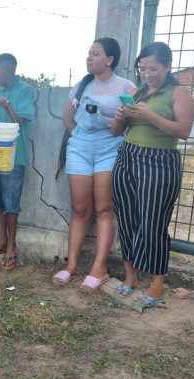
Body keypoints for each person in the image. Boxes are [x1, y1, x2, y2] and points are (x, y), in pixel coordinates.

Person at [110, 42, 194, 309]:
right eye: (143, 68)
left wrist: (149, 116)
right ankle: (130, 277)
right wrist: (120, 116)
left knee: (153, 223)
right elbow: (116, 132)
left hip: (159, 161)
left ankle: (157, 286)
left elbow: (183, 130)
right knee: (125, 217)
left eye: (154, 68)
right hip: (127, 156)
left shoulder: (179, 92)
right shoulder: (137, 92)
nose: (147, 73)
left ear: (168, 66)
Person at [53, 38, 136, 291]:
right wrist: (81, 139)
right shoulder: (81, 85)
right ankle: (71, 265)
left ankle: (98, 269)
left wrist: (109, 132)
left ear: (110, 59)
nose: (89, 58)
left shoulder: (127, 87)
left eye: (95, 54)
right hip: (80, 148)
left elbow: (131, 123)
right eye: (88, 54)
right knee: (79, 208)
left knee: (104, 208)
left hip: (109, 148)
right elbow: (68, 120)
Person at [0, 53, 35, 271]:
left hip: (14, 157)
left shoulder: (25, 91)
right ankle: (2, 240)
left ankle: (12, 246)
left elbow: (20, 121)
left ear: (8, 69)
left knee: (11, 203)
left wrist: (7, 106)